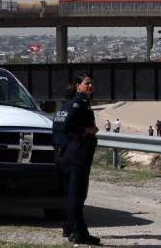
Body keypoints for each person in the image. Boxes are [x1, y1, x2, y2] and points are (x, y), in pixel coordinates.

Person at [52, 73, 101, 245]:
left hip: (64, 153)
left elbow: (57, 129)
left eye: (91, 84)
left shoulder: (65, 106)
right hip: (77, 153)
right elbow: (69, 125)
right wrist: (87, 130)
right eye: (87, 84)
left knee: (68, 193)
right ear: (78, 85)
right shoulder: (79, 104)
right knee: (77, 193)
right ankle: (80, 231)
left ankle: (69, 227)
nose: (90, 87)